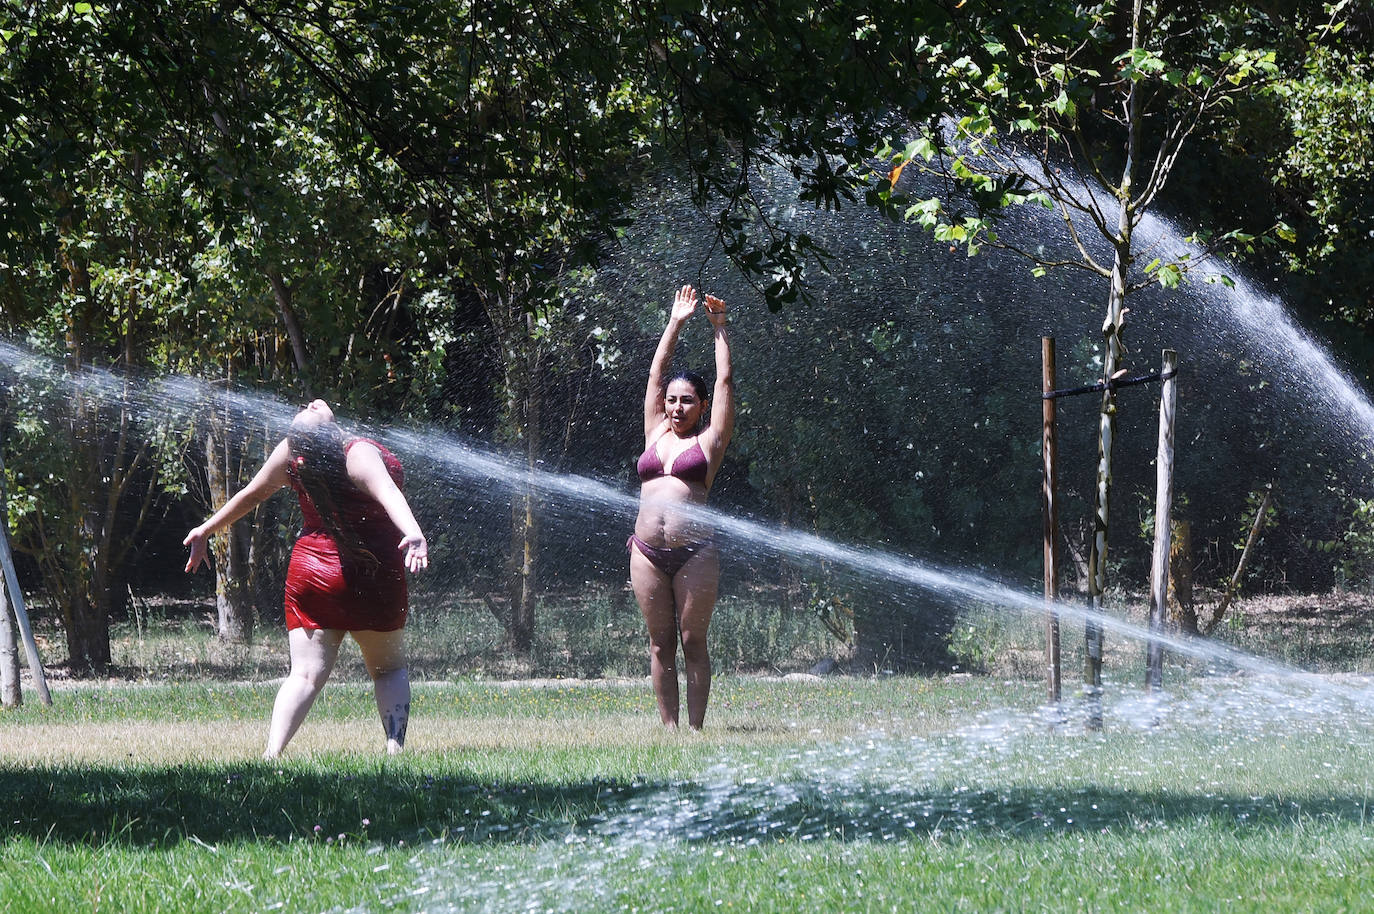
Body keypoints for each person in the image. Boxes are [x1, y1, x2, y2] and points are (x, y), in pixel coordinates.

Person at [183, 399, 428, 758]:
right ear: (328, 432)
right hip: (372, 573)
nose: (308, 403)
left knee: (304, 676)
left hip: (313, 576)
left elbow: (252, 495)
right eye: (308, 412)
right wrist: (415, 533)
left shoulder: (292, 454)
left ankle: (271, 755)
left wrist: (206, 529)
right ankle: (395, 751)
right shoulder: (355, 454)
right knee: (388, 669)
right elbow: (388, 491)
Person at [629, 284, 735, 730]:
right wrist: (674, 322)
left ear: (702, 405)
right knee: (659, 645)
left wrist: (719, 331)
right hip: (646, 552)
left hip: (695, 552)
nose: (676, 406)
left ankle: (695, 730)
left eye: (687, 400)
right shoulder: (655, 432)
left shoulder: (709, 441)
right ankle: (669, 730)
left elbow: (726, 381)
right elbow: (656, 377)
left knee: (693, 641)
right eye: (672, 400)